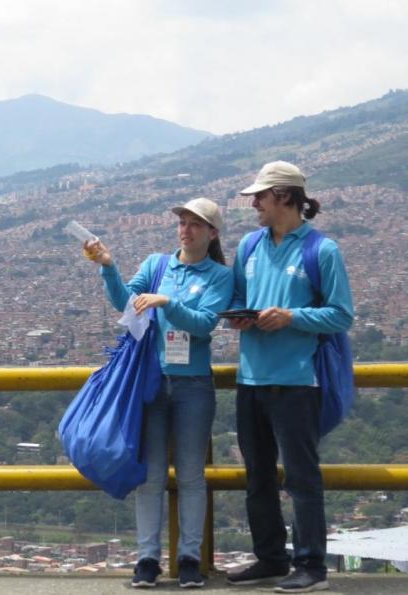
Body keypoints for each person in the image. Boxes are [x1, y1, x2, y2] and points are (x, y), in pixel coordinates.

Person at [83, 198, 233, 589]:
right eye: (182, 223)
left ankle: (188, 558)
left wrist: (169, 302)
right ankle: (147, 558)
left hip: (193, 385)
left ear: (212, 233)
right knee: (149, 478)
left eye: (195, 225)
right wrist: (109, 268)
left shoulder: (219, 276)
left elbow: (203, 325)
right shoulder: (156, 265)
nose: (185, 230)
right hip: (151, 381)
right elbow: (125, 303)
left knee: (191, 476)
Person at [225, 161, 354, 593]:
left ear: (283, 196)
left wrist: (292, 317)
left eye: (259, 196)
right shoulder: (249, 246)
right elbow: (241, 297)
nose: (254, 204)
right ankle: (270, 558)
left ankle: (312, 565)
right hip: (251, 377)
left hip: (298, 380)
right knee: (257, 475)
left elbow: (341, 315)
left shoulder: (323, 250)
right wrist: (241, 318)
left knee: (301, 477)